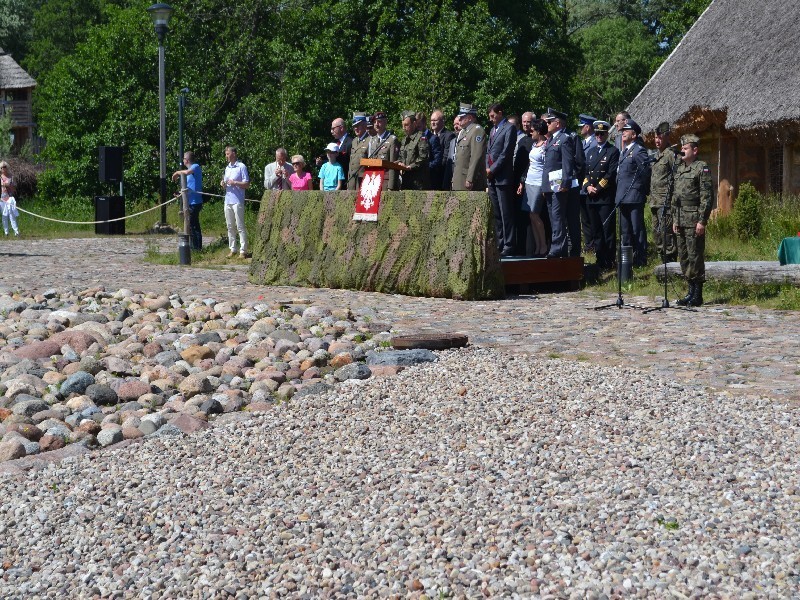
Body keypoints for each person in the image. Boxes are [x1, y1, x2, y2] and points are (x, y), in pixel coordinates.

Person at [673, 133, 713, 307]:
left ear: (694, 150)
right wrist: (675, 219)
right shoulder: (680, 169)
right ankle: (689, 291)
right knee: (683, 256)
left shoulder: (701, 168)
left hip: (694, 218)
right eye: (681, 148)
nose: (682, 150)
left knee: (695, 255)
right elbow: (675, 197)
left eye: (685, 148)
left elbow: (707, 197)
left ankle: (697, 295)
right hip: (681, 218)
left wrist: (702, 221)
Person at [582, 121, 620, 270]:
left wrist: (597, 188)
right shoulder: (591, 152)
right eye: (596, 133)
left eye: (601, 133)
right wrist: (587, 186)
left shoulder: (612, 151)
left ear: (606, 135)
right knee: (596, 231)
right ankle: (600, 259)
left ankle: (609, 260)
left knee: (607, 231)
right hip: (591, 197)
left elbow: (610, 174)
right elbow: (585, 172)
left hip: (604, 197)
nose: (598, 136)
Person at [541, 108, 577, 258]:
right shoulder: (550, 139)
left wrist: (565, 182)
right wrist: (544, 187)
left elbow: (567, 163)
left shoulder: (564, 139)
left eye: (549, 122)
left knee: (557, 216)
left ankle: (557, 247)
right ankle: (559, 247)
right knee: (552, 216)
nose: (547, 124)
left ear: (557, 123)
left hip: (559, 185)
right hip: (550, 185)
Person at [615, 119, 651, 267]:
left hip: (634, 196)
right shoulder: (624, 151)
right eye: (623, 130)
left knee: (637, 230)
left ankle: (641, 259)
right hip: (623, 197)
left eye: (626, 130)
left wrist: (639, 189)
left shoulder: (638, 150)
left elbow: (645, 172)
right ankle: (627, 261)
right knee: (625, 232)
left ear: (634, 134)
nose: (623, 132)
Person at [485, 103, 517, 256]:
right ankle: (500, 242)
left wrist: (493, 169)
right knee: (496, 213)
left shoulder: (509, 128)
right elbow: (489, 152)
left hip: (502, 177)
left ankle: (509, 244)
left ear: (500, 113)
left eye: (493, 116)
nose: (491, 119)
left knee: (506, 213)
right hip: (491, 177)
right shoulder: (492, 130)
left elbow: (506, 152)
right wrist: (487, 169)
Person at [649, 121, 678, 262]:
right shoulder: (656, 156)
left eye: (660, 137)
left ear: (667, 137)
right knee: (657, 234)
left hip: (665, 203)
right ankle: (662, 263)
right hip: (655, 202)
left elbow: (677, 178)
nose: (657, 140)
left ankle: (670, 265)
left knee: (667, 235)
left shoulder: (671, 155)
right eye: (655, 137)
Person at [521, 118, 549, 256]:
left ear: (539, 131)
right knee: (531, 216)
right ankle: (537, 246)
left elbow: (546, 168)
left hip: (538, 183)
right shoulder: (534, 145)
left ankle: (543, 245)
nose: (530, 132)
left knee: (535, 214)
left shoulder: (545, 146)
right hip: (529, 182)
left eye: (532, 130)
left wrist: (545, 187)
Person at [220, 146, 250, 258]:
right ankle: (232, 249)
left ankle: (243, 250)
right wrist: (223, 184)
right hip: (228, 200)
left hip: (237, 200)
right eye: (226, 154)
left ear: (233, 154)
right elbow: (226, 182)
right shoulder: (227, 168)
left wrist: (235, 182)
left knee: (240, 226)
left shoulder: (241, 167)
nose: (226, 156)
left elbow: (246, 184)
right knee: (230, 226)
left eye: (227, 153)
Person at [509, 114, 533, 254]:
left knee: (528, 216)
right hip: (516, 181)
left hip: (527, 182)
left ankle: (528, 249)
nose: (526, 124)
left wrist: (522, 181)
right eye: (524, 122)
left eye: (528, 122)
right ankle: (519, 247)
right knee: (518, 216)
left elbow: (530, 164)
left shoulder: (532, 140)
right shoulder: (523, 140)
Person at [451, 103, 487, 192]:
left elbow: (476, 156)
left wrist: (470, 179)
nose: (459, 119)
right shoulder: (464, 132)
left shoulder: (477, 131)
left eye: (462, 117)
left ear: (470, 117)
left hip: (468, 181)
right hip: (459, 179)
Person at [171, 151, 203, 250]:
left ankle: (197, 248)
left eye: (184, 158)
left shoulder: (195, 167)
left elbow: (187, 172)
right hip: (189, 202)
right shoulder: (187, 172)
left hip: (195, 202)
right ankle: (193, 246)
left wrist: (177, 173)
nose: (183, 160)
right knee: (190, 225)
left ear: (187, 160)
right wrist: (180, 194)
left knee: (194, 225)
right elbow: (188, 187)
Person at [577, 113, 597, 251]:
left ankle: (594, 244)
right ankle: (589, 244)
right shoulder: (583, 142)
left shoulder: (594, 142)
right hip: (582, 186)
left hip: (591, 184)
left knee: (592, 217)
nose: (580, 129)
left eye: (582, 126)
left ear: (588, 127)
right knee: (584, 218)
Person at [367, 112, 400, 190]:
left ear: (385, 122)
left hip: (385, 182)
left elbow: (393, 165)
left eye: (379, 121)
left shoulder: (392, 140)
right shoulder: (372, 140)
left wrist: (390, 187)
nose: (376, 124)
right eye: (374, 122)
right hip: (373, 181)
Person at [398, 111, 431, 190]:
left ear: (414, 123)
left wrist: (410, 167)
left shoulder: (421, 138)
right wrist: (399, 163)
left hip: (418, 182)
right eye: (402, 125)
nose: (404, 128)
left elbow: (423, 157)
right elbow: (400, 156)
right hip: (405, 180)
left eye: (406, 125)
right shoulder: (404, 140)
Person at [415, 111, 441, 190]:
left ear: (424, 123)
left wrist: (424, 167)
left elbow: (437, 160)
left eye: (419, 126)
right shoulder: (415, 139)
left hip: (429, 180)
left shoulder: (433, 139)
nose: (417, 129)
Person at [430, 109, 454, 190]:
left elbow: (446, 157)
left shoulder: (449, 136)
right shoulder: (428, 136)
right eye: (431, 120)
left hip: (441, 176)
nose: (433, 122)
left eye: (435, 120)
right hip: (428, 177)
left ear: (442, 121)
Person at [347, 113, 370, 190]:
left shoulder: (370, 140)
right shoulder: (354, 141)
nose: (355, 129)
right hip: (352, 181)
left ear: (364, 125)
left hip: (363, 181)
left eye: (358, 126)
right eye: (354, 126)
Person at [1, 161, 19, 236]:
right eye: (1, 167)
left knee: (12, 214)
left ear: (7, 167)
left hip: (10, 197)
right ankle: (6, 232)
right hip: (2, 198)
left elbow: (15, 187)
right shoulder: (0, 178)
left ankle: (16, 231)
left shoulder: (11, 177)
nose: (3, 168)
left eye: (4, 167)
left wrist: (9, 185)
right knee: (4, 215)